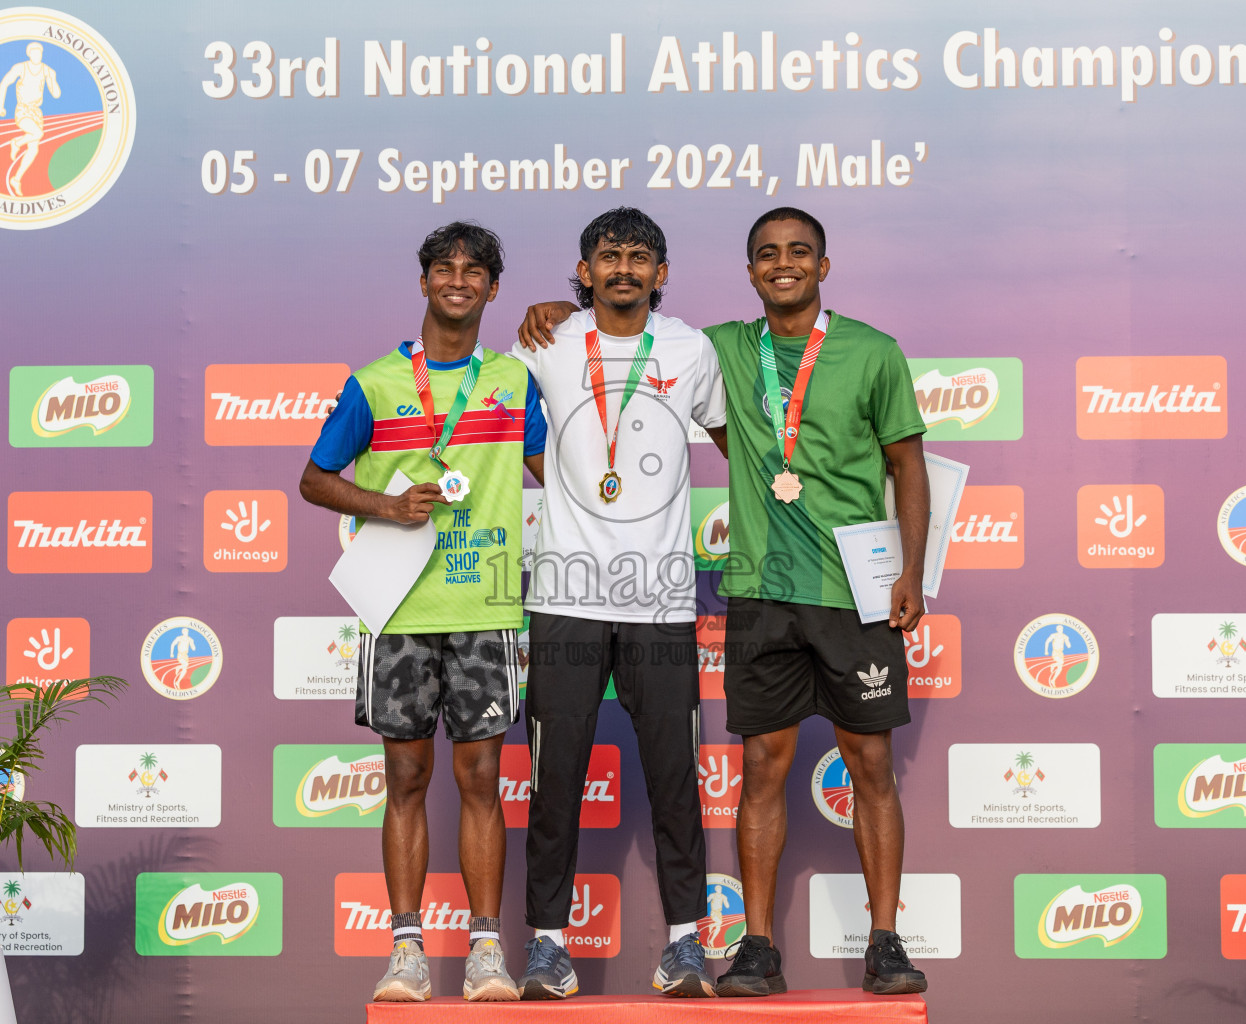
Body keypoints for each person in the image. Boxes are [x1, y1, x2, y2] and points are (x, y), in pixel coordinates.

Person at [518, 207, 931, 998]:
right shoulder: (710, 346)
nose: (784, 265)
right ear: (748, 271)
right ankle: (754, 948)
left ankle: (882, 940)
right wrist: (557, 313)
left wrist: (908, 572)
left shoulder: (843, 351)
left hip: (846, 590)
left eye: (799, 253)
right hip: (750, 591)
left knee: (869, 765)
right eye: (768, 255)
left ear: (823, 264)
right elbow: (572, 371)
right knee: (760, 768)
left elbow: (899, 464)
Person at [300, 222, 547, 1003]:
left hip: (488, 605)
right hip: (398, 606)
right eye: (446, 268)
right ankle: (407, 950)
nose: (460, 280)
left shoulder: (514, 379)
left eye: (476, 271)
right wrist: (386, 504)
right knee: (405, 777)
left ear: (494, 289)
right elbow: (314, 478)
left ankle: (484, 953)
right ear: (424, 282)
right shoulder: (374, 382)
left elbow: (562, 471)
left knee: (482, 779)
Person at [511, 208, 727, 1000]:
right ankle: (547, 947)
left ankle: (684, 946)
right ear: (586, 268)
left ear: (661, 273)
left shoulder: (690, 348)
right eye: (611, 257)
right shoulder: (545, 341)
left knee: (677, 780)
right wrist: (566, 486)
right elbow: (504, 425)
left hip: (663, 600)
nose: (625, 269)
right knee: (554, 779)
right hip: (566, 596)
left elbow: (733, 436)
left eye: (640, 257)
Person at [0, 42, 60, 195]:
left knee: (34, 149)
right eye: (34, 53)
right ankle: (16, 142)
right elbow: (4, 84)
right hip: (23, 110)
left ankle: (16, 179)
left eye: (40, 53)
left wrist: (52, 78)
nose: (37, 56)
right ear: (29, 54)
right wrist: (0, 106)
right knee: (38, 134)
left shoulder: (47, 70)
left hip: (37, 113)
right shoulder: (20, 68)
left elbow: (56, 95)